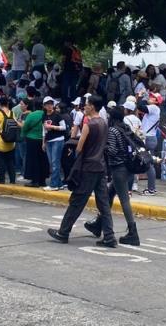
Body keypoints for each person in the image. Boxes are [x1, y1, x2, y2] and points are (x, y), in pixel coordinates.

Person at [48, 96, 116, 247]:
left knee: (77, 201)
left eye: (87, 105)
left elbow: (79, 148)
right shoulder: (104, 123)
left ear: (92, 106)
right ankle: (109, 236)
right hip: (100, 166)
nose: (84, 107)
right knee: (103, 203)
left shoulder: (89, 125)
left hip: (88, 167)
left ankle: (63, 232)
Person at [82, 106, 140, 245]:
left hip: (118, 168)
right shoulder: (125, 127)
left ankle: (133, 232)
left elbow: (113, 150)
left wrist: (101, 146)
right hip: (127, 167)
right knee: (107, 195)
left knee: (124, 200)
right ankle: (98, 224)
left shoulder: (113, 130)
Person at [41, 97, 68, 191]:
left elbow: (64, 127)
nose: (49, 105)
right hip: (48, 141)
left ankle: (53, 185)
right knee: (52, 162)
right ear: (44, 106)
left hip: (58, 139)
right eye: (47, 104)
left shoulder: (57, 115)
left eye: (51, 104)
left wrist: (52, 127)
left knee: (55, 162)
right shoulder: (44, 116)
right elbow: (44, 130)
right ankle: (59, 184)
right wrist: (43, 142)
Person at [0, 96, 18, 184]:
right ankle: (12, 179)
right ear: (8, 103)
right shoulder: (12, 113)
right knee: (10, 162)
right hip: (11, 142)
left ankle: (1, 179)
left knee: (0, 161)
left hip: (0, 142)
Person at [20, 98, 47, 187]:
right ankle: (42, 180)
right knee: (42, 160)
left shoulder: (32, 115)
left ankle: (35, 181)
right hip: (43, 140)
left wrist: (23, 135)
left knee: (33, 160)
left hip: (32, 139)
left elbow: (25, 127)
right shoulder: (46, 114)